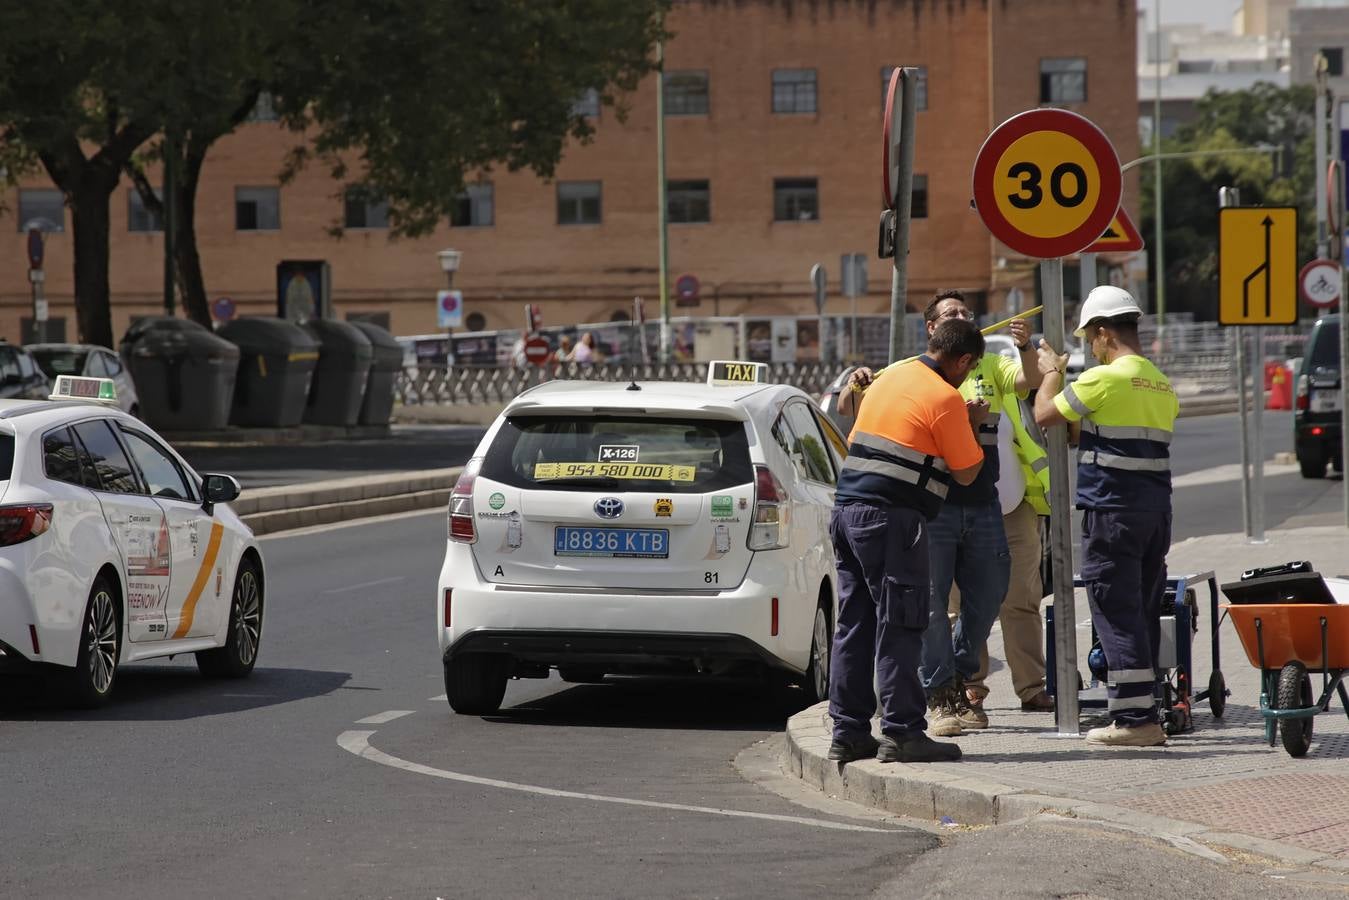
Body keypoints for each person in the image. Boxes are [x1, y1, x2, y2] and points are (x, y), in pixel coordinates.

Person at [839, 290, 1043, 736]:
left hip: (985, 505)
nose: (962, 316)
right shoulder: (908, 377)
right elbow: (964, 469)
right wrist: (967, 424)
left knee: (989, 594)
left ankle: (948, 676)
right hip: (929, 510)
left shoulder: (987, 363)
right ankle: (935, 698)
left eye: (965, 312)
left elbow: (1032, 382)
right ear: (935, 331)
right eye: (952, 314)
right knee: (923, 608)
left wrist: (1028, 349)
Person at [826, 317, 987, 765]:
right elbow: (968, 471)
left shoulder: (891, 377)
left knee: (854, 625)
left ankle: (849, 732)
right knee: (901, 623)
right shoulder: (945, 397)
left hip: (847, 512)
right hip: (891, 520)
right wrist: (972, 422)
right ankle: (902, 732)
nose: (966, 378)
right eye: (969, 371)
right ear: (964, 360)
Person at [1033, 285, 1178, 747]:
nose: (1090, 350)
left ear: (1103, 333)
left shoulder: (1104, 379)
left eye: (1089, 340)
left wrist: (1052, 373)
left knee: (1114, 608)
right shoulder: (1159, 381)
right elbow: (1089, 432)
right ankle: (1142, 708)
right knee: (1140, 607)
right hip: (1155, 512)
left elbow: (1044, 415)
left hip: (1112, 511)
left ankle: (1136, 720)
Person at [948, 395, 1055, 717]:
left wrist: (1026, 348)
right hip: (957, 513)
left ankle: (1032, 687)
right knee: (960, 605)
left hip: (1014, 510)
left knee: (1021, 600)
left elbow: (1032, 383)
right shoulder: (940, 386)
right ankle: (968, 685)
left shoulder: (1005, 388)